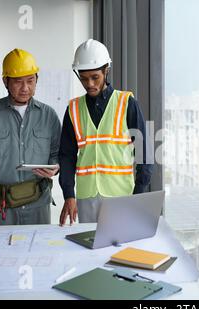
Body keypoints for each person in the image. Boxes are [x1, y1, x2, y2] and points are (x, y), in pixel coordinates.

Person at [59, 39, 153, 225]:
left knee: (119, 252)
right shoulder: (73, 109)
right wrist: (69, 195)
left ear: (106, 71)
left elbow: (145, 155)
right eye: (84, 78)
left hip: (121, 196)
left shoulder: (127, 103)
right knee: (89, 250)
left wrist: (137, 197)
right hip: (86, 198)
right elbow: (66, 156)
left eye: (95, 77)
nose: (90, 84)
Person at [0, 48, 61, 227]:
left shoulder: (48, 115)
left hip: (38, 207)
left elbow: (57, 153)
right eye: (18, 82)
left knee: (38, 255)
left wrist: (55, 167)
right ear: (5, 81)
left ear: (36, 80)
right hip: (0, 209)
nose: (25, 88)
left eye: (30, 81)